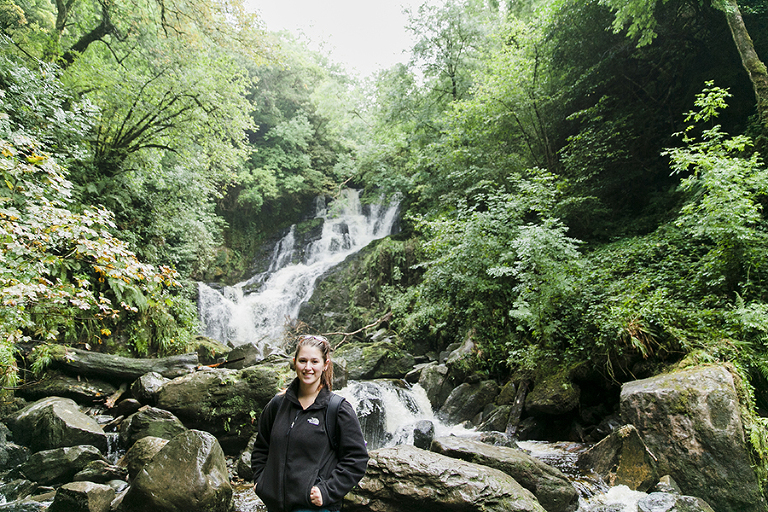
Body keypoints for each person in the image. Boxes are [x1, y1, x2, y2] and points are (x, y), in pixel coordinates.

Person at [251, 334, 369, 512]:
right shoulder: (277, 405)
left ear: (325, 364)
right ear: (294, 362)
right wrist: (261, 482)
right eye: (303, 360)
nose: (308, 367)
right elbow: (261, 447)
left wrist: (327, 490)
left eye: (314, 361)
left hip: (315, 508)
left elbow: (357, 458)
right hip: (276, 507)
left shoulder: (337, 409)